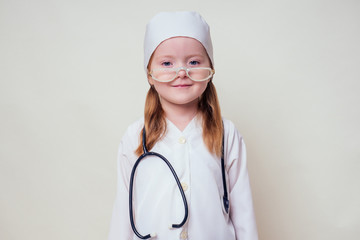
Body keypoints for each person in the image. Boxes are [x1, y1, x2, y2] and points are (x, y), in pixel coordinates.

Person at [108, 11, 258, 240]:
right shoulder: (134, 137)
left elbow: (244, 214)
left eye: (194, 62)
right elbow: (123, 214)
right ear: (149, 74)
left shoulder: (227, 135)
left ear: (210, 69)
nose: (181, 72)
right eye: (167, 63)